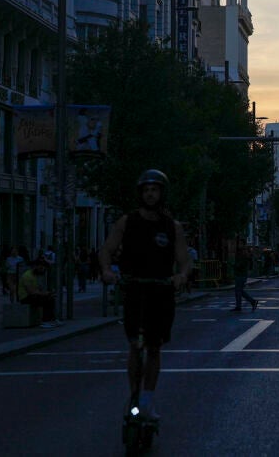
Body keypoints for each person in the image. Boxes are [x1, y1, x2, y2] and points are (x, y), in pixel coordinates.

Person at [99, 169, 192, 420]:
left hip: (161, 292)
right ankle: (133, 394)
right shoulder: (127, 222)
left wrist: (181, 276)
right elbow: (107, 249)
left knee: (154, 347)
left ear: (162, 193)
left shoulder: (172, 227)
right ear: (141, 194)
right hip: (134, 290)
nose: (150, 194)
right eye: (146, 190)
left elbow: (184, 260)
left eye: (155, 190)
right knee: (134, 344)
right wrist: (107, 270)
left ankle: (148, 399)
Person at [18, 257, 58, 327]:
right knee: (46, 300)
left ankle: (52, 319)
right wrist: (45, 293)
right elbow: (31, 292)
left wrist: (47, 293)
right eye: (42, 268)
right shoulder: (27, 276)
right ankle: (45, 321)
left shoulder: (34, 275)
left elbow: (36, 291)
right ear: (36, 267)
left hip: (31, 296)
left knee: (50, 298)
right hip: (25, 298)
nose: (43, 270)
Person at [231, 240, 258, 312]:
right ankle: (250, 302)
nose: (238, 245)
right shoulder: (244, 252)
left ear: (243, 244)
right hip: (241, 273)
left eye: (239, 243)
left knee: (238, 290)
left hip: (240, 274)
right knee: (239, 291)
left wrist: (235, 266)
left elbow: (241, 264)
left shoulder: (243, 253)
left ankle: (241, 306)